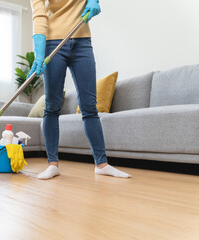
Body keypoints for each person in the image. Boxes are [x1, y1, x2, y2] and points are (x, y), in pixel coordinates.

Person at [28, 0, 132, 180]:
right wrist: (39, 51)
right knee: (52, 106)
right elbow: (39, 14)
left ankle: (102, 164)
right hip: (53, 44)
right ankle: (53, 164)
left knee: (89, 106)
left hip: (82, 41)